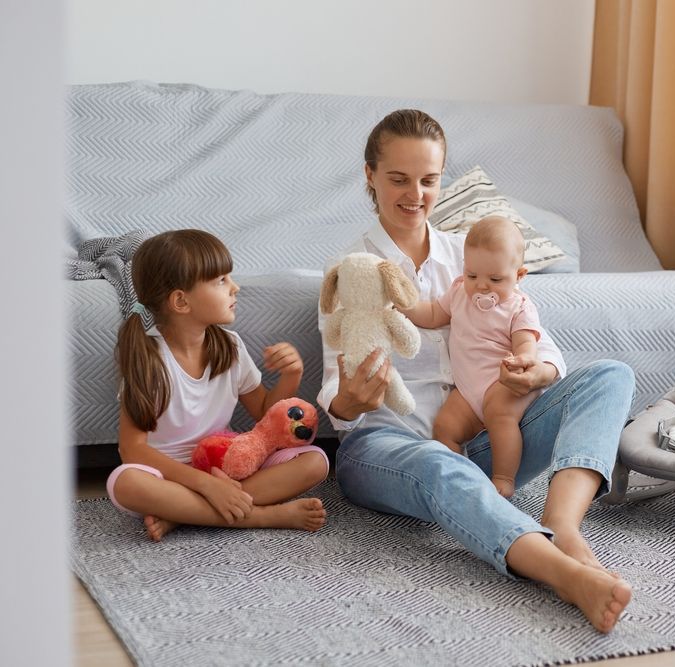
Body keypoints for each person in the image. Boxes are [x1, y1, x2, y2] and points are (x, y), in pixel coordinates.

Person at [317, 109, 635, 633]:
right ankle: (562, 572)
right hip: (386, 447)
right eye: (398, 178)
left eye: (428, 179)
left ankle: (561, 522)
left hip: (487, 436)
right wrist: (349, 400)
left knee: (610, 376)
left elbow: (535, 338)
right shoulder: (351, 270)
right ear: (370, 176)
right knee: (442, 465)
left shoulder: (468, 255)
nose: (414, 194)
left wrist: (537, 372)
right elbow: (334, 387)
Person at [108, 229, 329, 542]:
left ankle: (182, 514)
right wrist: (205, 485)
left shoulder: (230, 347)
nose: (234, 287)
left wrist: (292, 375)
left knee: (315, 462)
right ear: (180, 301)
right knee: (126, 482)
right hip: (168, 476)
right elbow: (132, 449)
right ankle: (260, 517)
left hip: (226, 466)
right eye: (221, 281)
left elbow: (264, 418)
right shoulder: (149, 359)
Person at [401, 215, 549, 499]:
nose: (481, 286)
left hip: (502, 383)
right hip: (468, 390)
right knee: (444, 426)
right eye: (472, 275)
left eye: (495, 279)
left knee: (500, 416)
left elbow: (526, 343)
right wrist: (406, 306)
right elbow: (433, 314)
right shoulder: (459, 291)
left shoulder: (519, 307)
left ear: (519, 276)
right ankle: (459, 478)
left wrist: (523, 362)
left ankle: (504, 478)